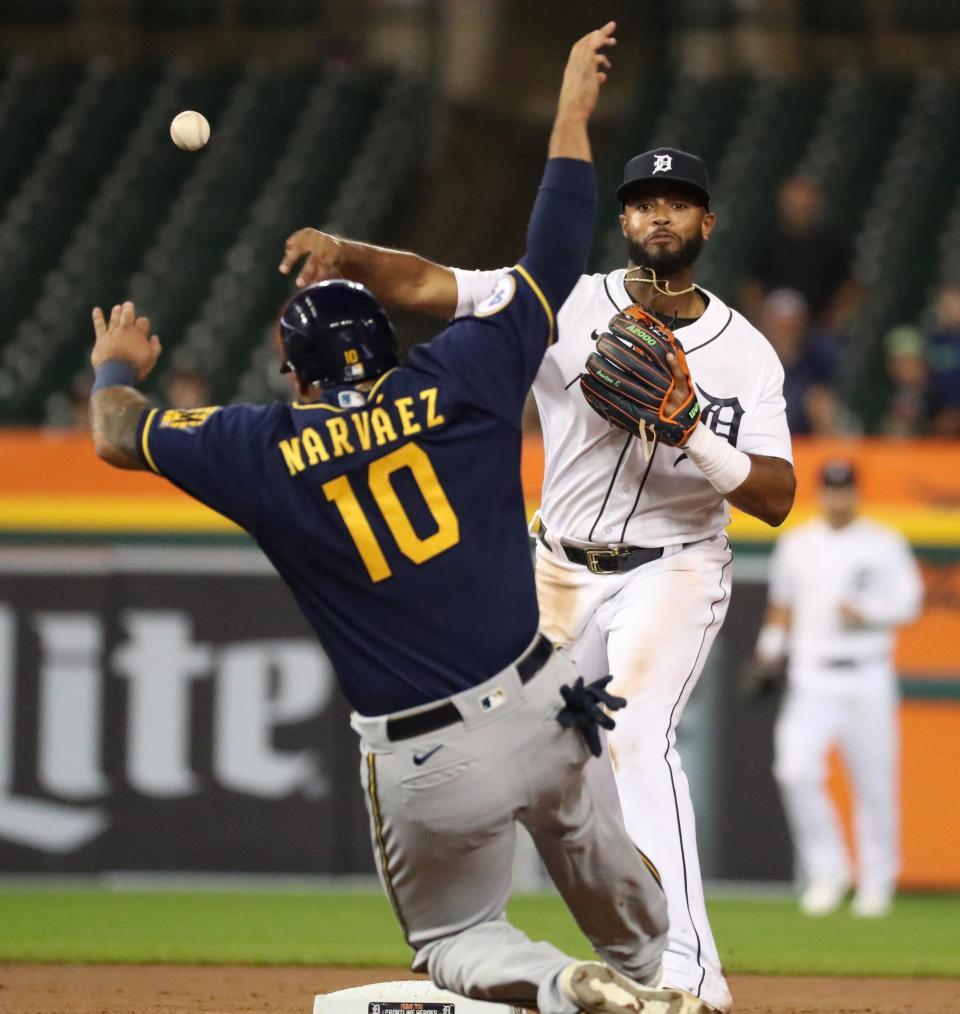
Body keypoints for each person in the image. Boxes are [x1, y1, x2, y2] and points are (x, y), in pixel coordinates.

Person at [87, 25, 711, 1014]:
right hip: (547, 699)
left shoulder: (261, 447)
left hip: (428, 754)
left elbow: (118, 434)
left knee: (457, 938)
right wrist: (569, 113)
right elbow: (552, 257)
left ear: (295, 373)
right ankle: (639, 981)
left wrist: (115, 363)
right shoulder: (462, 372)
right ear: (385, 339)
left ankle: (561, 986)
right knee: (629, 916)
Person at [279, 145, 797, 1012]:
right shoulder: (568, 301)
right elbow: (432, 285)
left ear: (707, 223)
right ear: (623, 221)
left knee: (633, 739)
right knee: (502, 743)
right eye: (643, 202)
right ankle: (482, 947)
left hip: (671, 569)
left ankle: (688, 976)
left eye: (678, 202)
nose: (659, 215)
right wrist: (350, 255)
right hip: (556, 567)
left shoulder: (743, 352)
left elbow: (778, 497)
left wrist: (692, 434)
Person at [751, 461, 923, 917]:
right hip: (813, 675)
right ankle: (828, 872)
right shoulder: (798, 543)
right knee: (794, 769)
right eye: (830, 489)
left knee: (874, 785)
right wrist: (769, 652)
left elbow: (910, 601)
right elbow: (782, 605)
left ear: (856, 493)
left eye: (845, 489)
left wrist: (869, 612)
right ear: (821, 493)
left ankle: (877, 880)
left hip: (868, 672)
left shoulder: (884, 542)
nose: (837, 497)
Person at [738, 175, 862, 331]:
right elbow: (750, 285)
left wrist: (827, 321)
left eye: (804, 205)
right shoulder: (765, 239)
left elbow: (850, 289)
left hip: (816, 329)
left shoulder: (835, 243)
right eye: (793, 204)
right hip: (770, 324)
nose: (798, 211)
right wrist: (760, 321)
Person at [759, 288, 839, 435]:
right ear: (766, 326)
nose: (784, 333)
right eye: (778, 325)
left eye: (791, 326)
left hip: (802, 449)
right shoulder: (752, 367)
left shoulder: (814, 368)